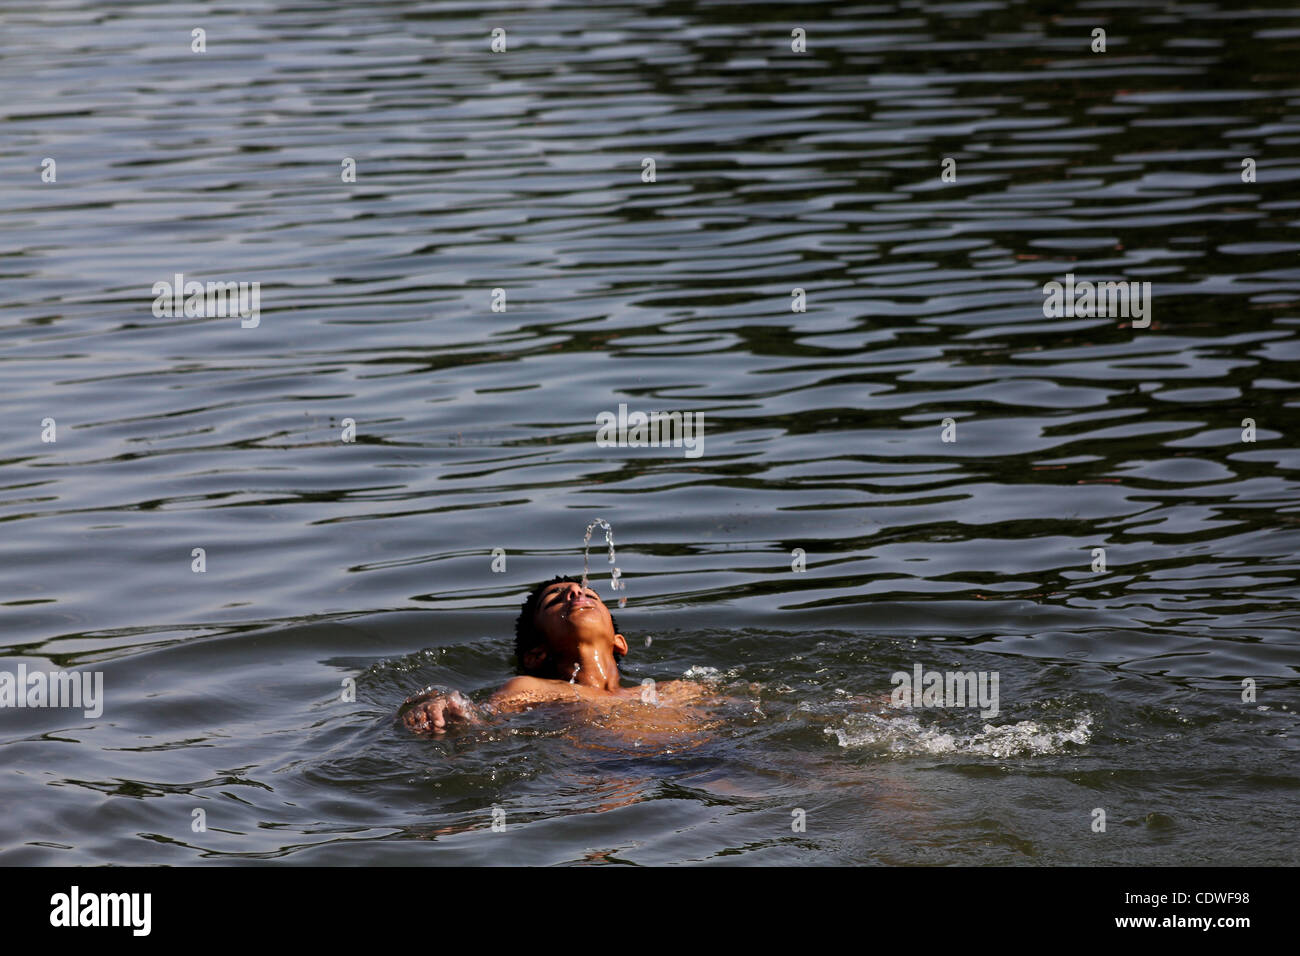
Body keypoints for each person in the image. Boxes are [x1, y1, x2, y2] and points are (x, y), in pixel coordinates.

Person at [398, 575, 707, 735]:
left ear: (619, 642)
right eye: (556, 600)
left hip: (699, 766)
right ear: (536, 654)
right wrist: (441, 707)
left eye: (589, 594)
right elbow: (481, 721)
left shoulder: (677, 691)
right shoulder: (532, 689)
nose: (576, 592)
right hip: (601, 775)